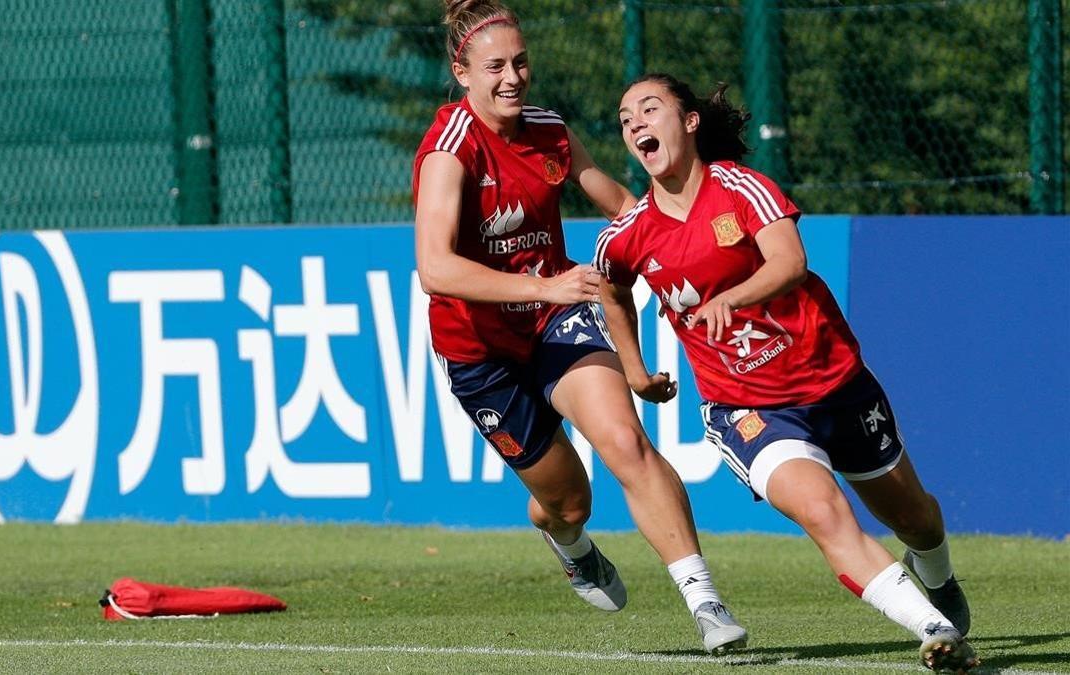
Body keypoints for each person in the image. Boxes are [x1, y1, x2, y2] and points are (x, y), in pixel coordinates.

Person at [592, 73, 977, 673]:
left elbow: (791, 262)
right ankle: (931, 626)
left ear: (690, 121)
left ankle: (939, 575)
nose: (636, 123)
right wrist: (636, 372)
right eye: (625, 118)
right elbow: (612, 292)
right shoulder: (628, 234)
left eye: (650, 109)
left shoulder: (743, 189)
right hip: (749, 408)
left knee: (915, 518)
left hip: (834, 381)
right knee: (824, 513)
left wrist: (731, 298)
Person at [412, 0, 746, 655]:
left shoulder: (548, 131)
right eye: (495, 67)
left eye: (521, 61)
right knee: (569, 501)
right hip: (480, 352)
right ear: (462, 73)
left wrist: (693, 245)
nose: (513, 77)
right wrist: (543, 282)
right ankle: (569, 542)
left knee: (628, 442)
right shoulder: (449, 150)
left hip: (555, 319)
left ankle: (705, 600)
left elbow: (624, 207)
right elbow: (435, 268)